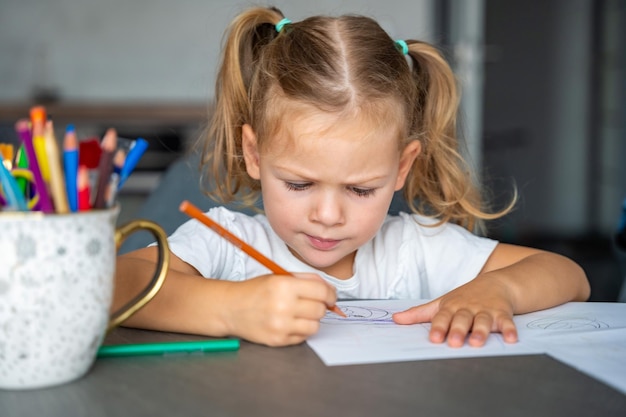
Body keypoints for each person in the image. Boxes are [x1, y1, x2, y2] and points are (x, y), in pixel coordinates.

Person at [113, 6, 590, 347]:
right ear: (255, 154)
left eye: (361, 189)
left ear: (402, 167)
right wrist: (229, 308)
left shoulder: (413, 249)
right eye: (299, 184)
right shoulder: (227, 243)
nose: (327, 215)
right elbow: (115, 283)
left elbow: (570, 276)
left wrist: (497, 289)